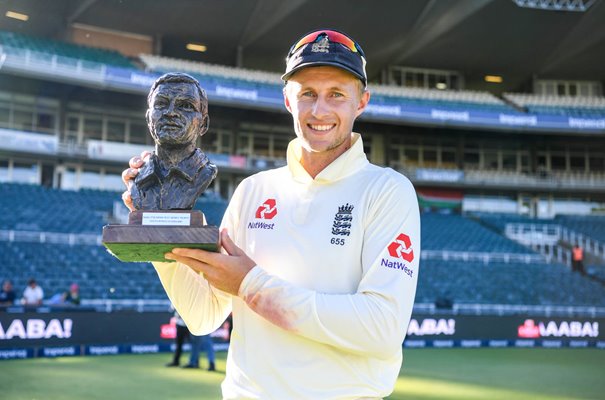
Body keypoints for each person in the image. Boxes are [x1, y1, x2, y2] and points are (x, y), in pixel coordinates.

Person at [123, 29, 420, 399]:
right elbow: (203, 316)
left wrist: (251, 284)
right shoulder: (254, 190)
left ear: (361, 102)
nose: (319, 110)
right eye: (307, 93)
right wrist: (158, 231)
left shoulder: (386, 191)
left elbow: (382, 328)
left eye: (336, 95)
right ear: (287, 100)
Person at [128, 72, 217, 211]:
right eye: (161, 104)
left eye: (186, 106)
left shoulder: (205, 173)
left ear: (203, 124)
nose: (170, 112)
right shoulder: (138, 177)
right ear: (148, 119)